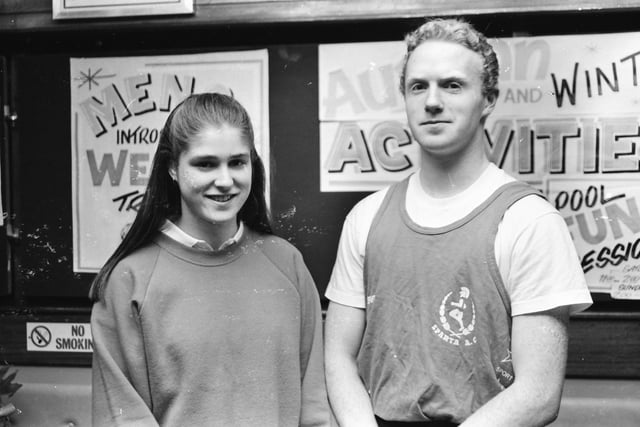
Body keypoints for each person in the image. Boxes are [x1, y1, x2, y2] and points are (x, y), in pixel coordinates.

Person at [324, 18, 592, 427]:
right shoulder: (366, 218)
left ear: (488, 99)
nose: (432, 101)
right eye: (418, 86)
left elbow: (538, 394)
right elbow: (339, 355)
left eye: (452, 85)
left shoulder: (528, 221)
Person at [90, 93, 330, 427]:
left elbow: (315, 408)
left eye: (237, 162)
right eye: (205, 164)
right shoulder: (130, 279)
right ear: (172, 167)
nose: (225, 180)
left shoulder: (287, 263)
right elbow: (122, 418)